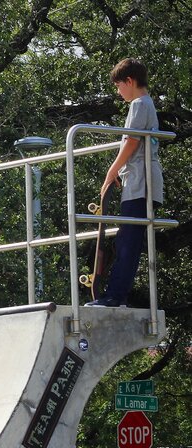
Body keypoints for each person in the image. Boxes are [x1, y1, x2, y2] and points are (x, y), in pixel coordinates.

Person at [87, 58, 164, 307]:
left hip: (141, 183)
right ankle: (114, 295)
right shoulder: (146, 104)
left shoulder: (139, 104)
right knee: (126, 240)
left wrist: (112, 171)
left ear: (129, 81)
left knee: (127, 241)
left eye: (119, 85)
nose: (118, 92)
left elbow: (131, 142)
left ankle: (115, 296)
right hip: (140, 181)